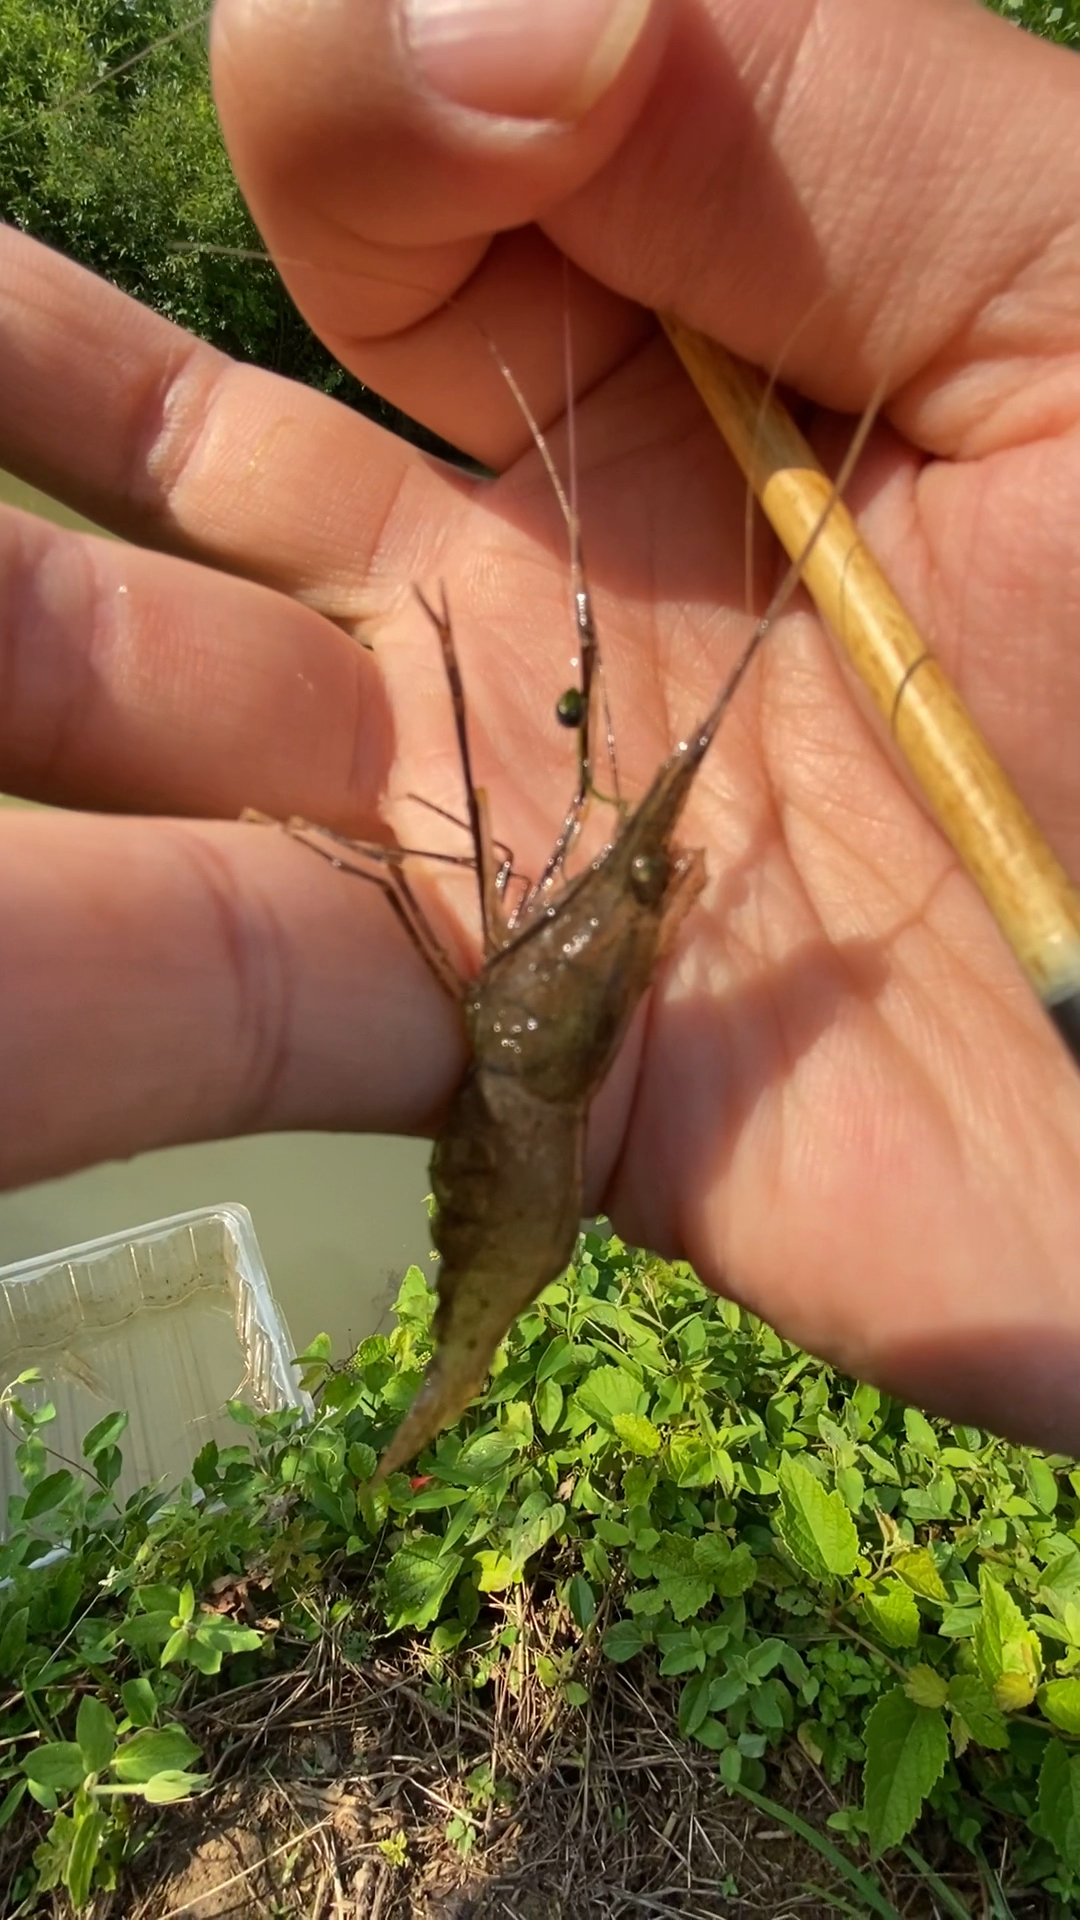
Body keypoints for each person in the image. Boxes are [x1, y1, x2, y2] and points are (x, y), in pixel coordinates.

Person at [1, 0, 1079, 1449]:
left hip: (529, 1114)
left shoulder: (553, 973)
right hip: (524, 1125)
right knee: (603, 838)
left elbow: (536, 901)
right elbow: (570, 904)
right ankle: (433, 1394)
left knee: (598, 841)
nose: (648, 865)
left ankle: (426, 1404)